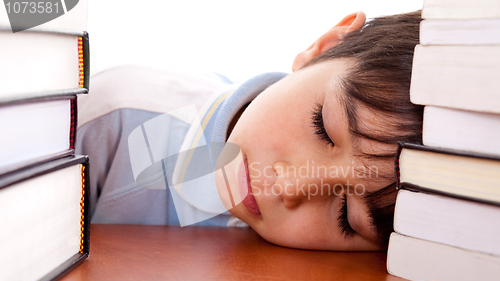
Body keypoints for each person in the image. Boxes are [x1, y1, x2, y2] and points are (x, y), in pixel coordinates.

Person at [76, 10, 423, 251]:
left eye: (346, 215)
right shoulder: (119, 118)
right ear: (324, 47)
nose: (290, 186)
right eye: (323, 128)